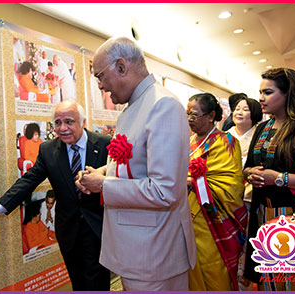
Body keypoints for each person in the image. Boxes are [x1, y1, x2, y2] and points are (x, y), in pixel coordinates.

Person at [75, 36, 195, 291]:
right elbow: (135, 163)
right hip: (134, 249)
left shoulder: (163, 105)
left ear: (121, 66)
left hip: (153, 254)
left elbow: (165, 191)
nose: (99, 86)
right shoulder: (134, 107)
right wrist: (102, 171)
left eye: (100, 75)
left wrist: (103, 185)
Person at [0, 100, 111, 290]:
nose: (63, 128)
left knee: (98, 282)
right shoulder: (48, 150)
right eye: (57, 123)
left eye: (69, 121)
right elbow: (28, 181)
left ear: (82, 122)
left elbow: (121, 178)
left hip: (99, 228)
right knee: (79, 282)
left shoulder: (104, 144)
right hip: (69, 230)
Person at [242, 67, 295, 291]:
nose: (260, 98)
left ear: (288, 94)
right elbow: (247, 169)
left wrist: (279, 178)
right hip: (263, 215)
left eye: (267, 92)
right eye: (260, 92)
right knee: (270, 281)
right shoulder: (262, 128)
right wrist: (251, 174)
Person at [184, 93, 245, 290]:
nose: (189, 120)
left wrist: (191, 183)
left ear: (211, 116)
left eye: (194, 115)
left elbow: (230, 187)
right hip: (184, 216)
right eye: (187, 115)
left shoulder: (226, 142)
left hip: (212, 219)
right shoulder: (187, 142)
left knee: (212, 269)